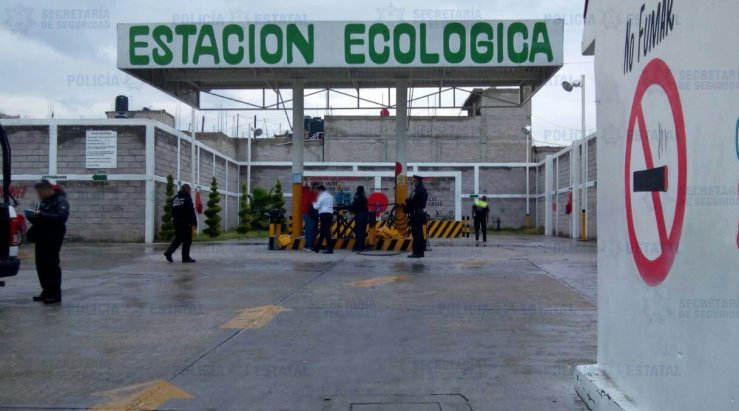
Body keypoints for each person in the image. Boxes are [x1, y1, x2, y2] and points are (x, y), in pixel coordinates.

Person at [27, 179, 69, 305]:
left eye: (41, 192)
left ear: (49, 190)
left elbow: (61, 217)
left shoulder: (60, 201)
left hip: (53, 237)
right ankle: (46, 291)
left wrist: (42, 215)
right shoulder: (43, 202)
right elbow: (40, 218)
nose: (39, 194)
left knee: (51, 265)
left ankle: (55, 294)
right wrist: (33, 216)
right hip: (41, 236)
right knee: (41, 265)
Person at [164, 184, 197, 263]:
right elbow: (191, 212)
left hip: (176, 221)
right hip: (185, 222)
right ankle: (185, 258)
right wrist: (194, 222)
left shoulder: (175, 198)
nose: (190, 191)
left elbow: (172, 209)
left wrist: (175, 217)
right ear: (187, 190)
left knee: (178, 238)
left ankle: (169, 252)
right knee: (187, 240)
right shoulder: (187, 198)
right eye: (189, 190)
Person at [404, 175, 429, 258]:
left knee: (416, 235)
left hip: (416, 215)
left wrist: (406, 200)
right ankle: (421, 253)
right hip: (421, 214)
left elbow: (411, 201)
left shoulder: (417, 190)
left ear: (418, 181)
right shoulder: (424, 190)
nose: (413, 182)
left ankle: (416, 253)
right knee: (420, 235)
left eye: (414, 181)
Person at [312, 185, 335, 254]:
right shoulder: (330, 196)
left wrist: (313, 202)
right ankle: (317, 247)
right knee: (323, 231)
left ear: (320, 190)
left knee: (326, 231)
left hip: (324, 214)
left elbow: (316, 207)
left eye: (318, 191)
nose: (317, 192)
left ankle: (330, 249)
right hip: (330, 214)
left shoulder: (321, 197)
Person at [350, 186, 369, 252]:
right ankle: (362, 247)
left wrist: (350, 208)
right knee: (363, 231)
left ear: (357, 190)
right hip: (365, 216)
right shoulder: (365, 198)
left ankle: (359, 247)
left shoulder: (357, 198)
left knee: (358, 232)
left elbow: (354, 207)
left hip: (359, 216)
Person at [302, 183, 318, 252]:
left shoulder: (307, 193)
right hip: (310, 214)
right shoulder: (311, 194)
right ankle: (308, 245)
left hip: (308, 213)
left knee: (311, 230)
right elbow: (314, 204)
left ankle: (310, 245)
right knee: (310, 230)